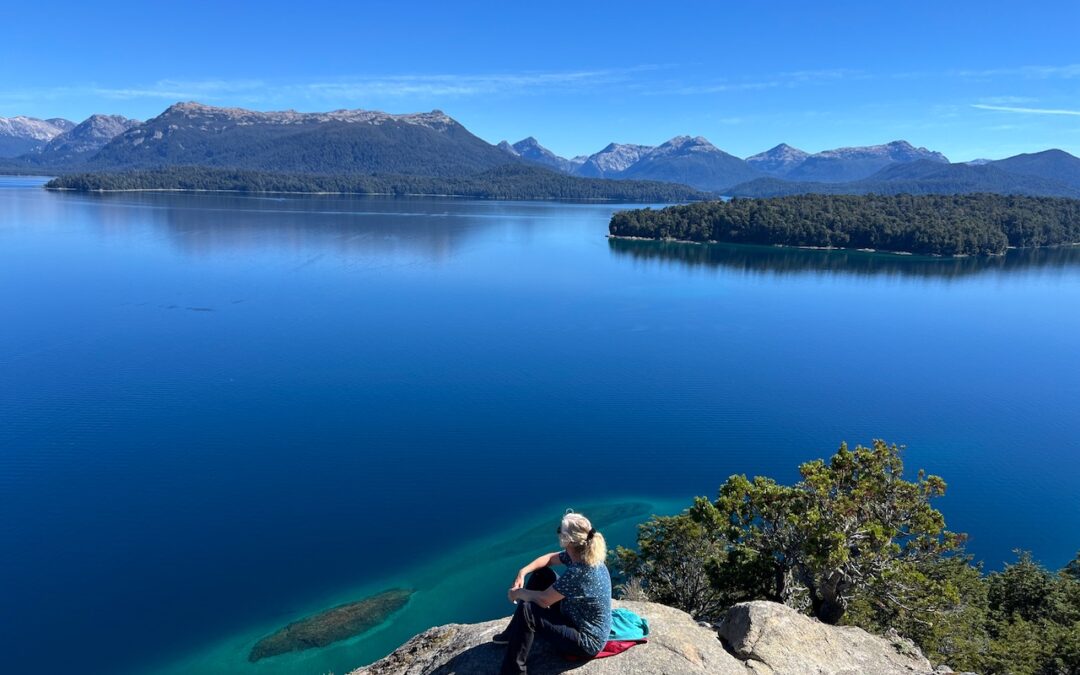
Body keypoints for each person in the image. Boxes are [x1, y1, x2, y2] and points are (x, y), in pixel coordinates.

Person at [497, 511, 612, 675]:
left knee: (528, 610)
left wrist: (518, 593)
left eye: (560, 530)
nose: (558, 532)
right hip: (575, 614)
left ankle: (513, 671)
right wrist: (523, 572)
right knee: (542, 574)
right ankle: (512, 633)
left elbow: (544, 600)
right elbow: (550, 559)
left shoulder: (579, 572)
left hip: (586, 641)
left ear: (568, 540)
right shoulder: (582, 554)